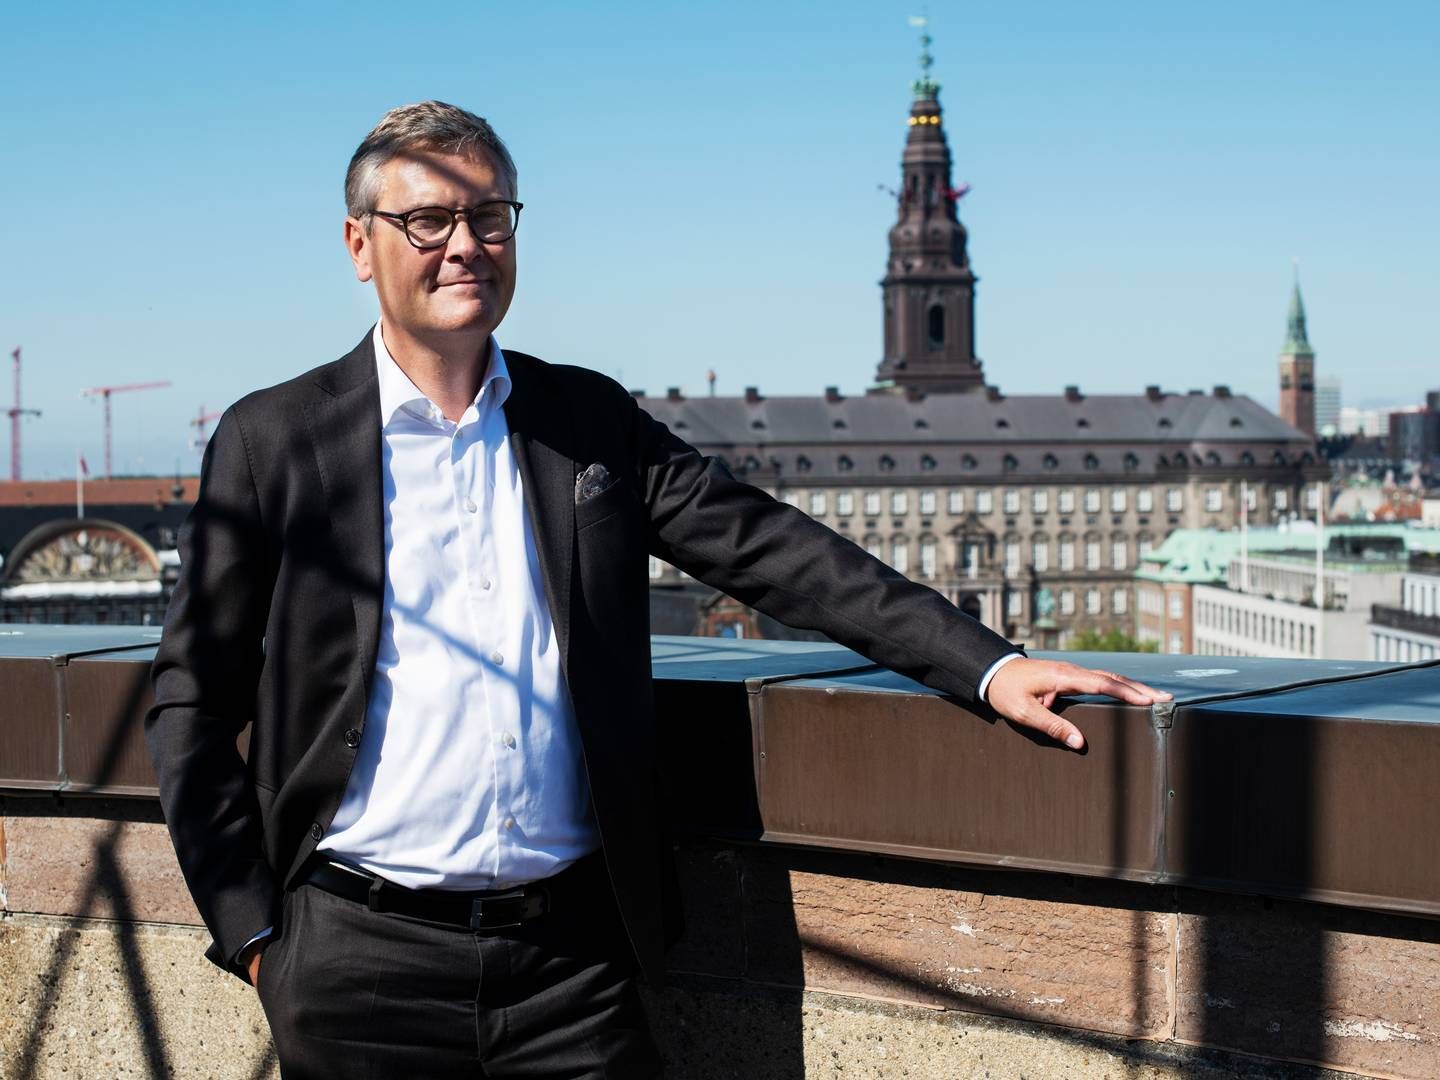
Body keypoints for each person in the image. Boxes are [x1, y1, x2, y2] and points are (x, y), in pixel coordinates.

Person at [146, 100, 1171, 1079]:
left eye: (489, 215)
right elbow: (194, 699)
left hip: (574, 964)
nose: (464, 243)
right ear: (360, 245)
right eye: (426, 219)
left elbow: (771, 549)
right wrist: (255, 935)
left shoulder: (585, 418)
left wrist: (986, 665)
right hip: (358, 959)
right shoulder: (273, 439)